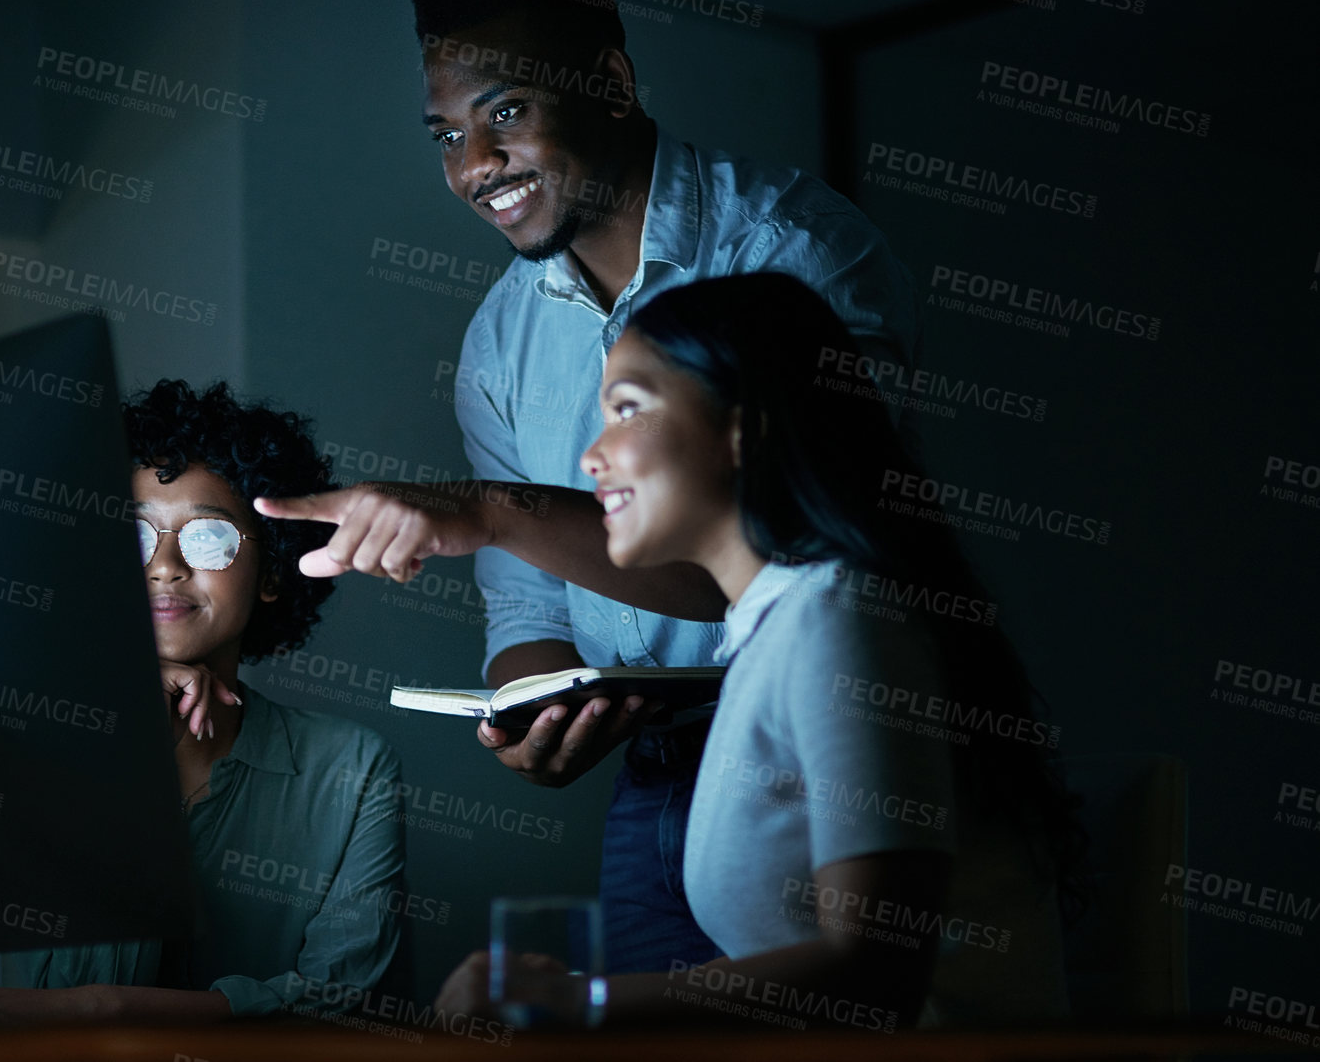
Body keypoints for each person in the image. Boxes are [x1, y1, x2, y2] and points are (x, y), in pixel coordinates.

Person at [263, 273, 1079, 1027]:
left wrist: (576, 1003)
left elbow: (878, 971)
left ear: (741, 426)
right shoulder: (774, 626)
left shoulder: (840, 618)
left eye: (625, 410)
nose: (592, 455)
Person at [410, 0, 919, 972]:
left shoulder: (791, 256)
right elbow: (528, 608)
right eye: (447, 135)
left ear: (608, 81)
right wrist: (542, 707)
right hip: (657, 779)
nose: (473, 167)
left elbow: (801, 540)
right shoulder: (496, 344)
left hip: (823, 747)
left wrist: (496, 510)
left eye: (504, 113)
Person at [0, 380, 405, 1023]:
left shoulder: (352, 767)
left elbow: (345, 1009)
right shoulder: (40, 752)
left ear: (274, 572)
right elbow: (48, 987)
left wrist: (108, 1006)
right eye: (135, 535)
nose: (165, 565)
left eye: (208, 537)